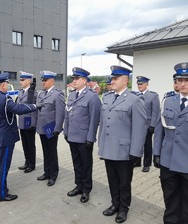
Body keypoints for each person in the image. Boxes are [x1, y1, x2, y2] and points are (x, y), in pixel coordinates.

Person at [98, 65, 147, 223]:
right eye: (112, 78)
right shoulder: (107, 97)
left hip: (125, 150)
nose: (112, 81)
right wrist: (101, 145)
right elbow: (103, 123)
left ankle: (124, 208)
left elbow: (140, 128)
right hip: (109, 149)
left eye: (115, 78)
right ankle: (115, 204)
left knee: (124, 182)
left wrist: (136, 151)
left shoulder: (135, 99)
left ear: (125, 80)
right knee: (112, 179)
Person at [0, 72, 37, 202]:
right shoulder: (5, 99)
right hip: (4, 138)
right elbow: (18, 109)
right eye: (6, 84)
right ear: (3, 85)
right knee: (2, 167)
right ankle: (1, 194)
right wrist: (35, 106)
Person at [153, 62, 188, 224]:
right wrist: (157, 153)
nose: (182, 84)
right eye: (180, 80)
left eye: (186, 80)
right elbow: (159, 129)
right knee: (170, 198)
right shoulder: (168, 100)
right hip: (168, 161)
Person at [64, 67, 101, 203]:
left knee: (86, 164)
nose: (74, 81)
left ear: (84, 80)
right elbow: (67, 115)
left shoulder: (92, 96)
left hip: (84, 138)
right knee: (76, 163)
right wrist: (66, 131)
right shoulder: (72, 95)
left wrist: (90, 138)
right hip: (72, 136)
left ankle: (86, 189)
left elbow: (94, 119)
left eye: (77, 78)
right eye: (73, 78)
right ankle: (78, 186)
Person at [36, 71, 65, 187]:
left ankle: (53, 175)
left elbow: (60, 113)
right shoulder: (41, 94)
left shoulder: (57, 94)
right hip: (43, 128)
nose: (43, 82)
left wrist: (57, 128)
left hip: (52, 128)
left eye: (45, 80)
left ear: (52, 81)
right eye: (42, 80)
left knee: (52, 152)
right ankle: (46, 172)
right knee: (45, 151)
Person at [133, 76, 160, 172]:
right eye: (138, 84)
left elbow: (155, 112)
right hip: (137, 125)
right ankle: (137, 161)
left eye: (141, 84)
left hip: (147, 125)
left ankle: (147, 164)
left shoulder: (153, 96)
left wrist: (152, 125)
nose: (139, 86)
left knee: (147, 145)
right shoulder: (135, 95)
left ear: (147, 84)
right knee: (137, 144)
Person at [16, 71, 38, 173]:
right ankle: (27, 162)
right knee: (24, 143)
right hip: (22, 120)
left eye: (22, 80)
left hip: (29, 121)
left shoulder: (32, 92)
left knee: (30, 143)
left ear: (28, 80)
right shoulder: (21, 92)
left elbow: (34, 109)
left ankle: (32, 164)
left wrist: (33, 123)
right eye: (20, 80)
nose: (20, 82)